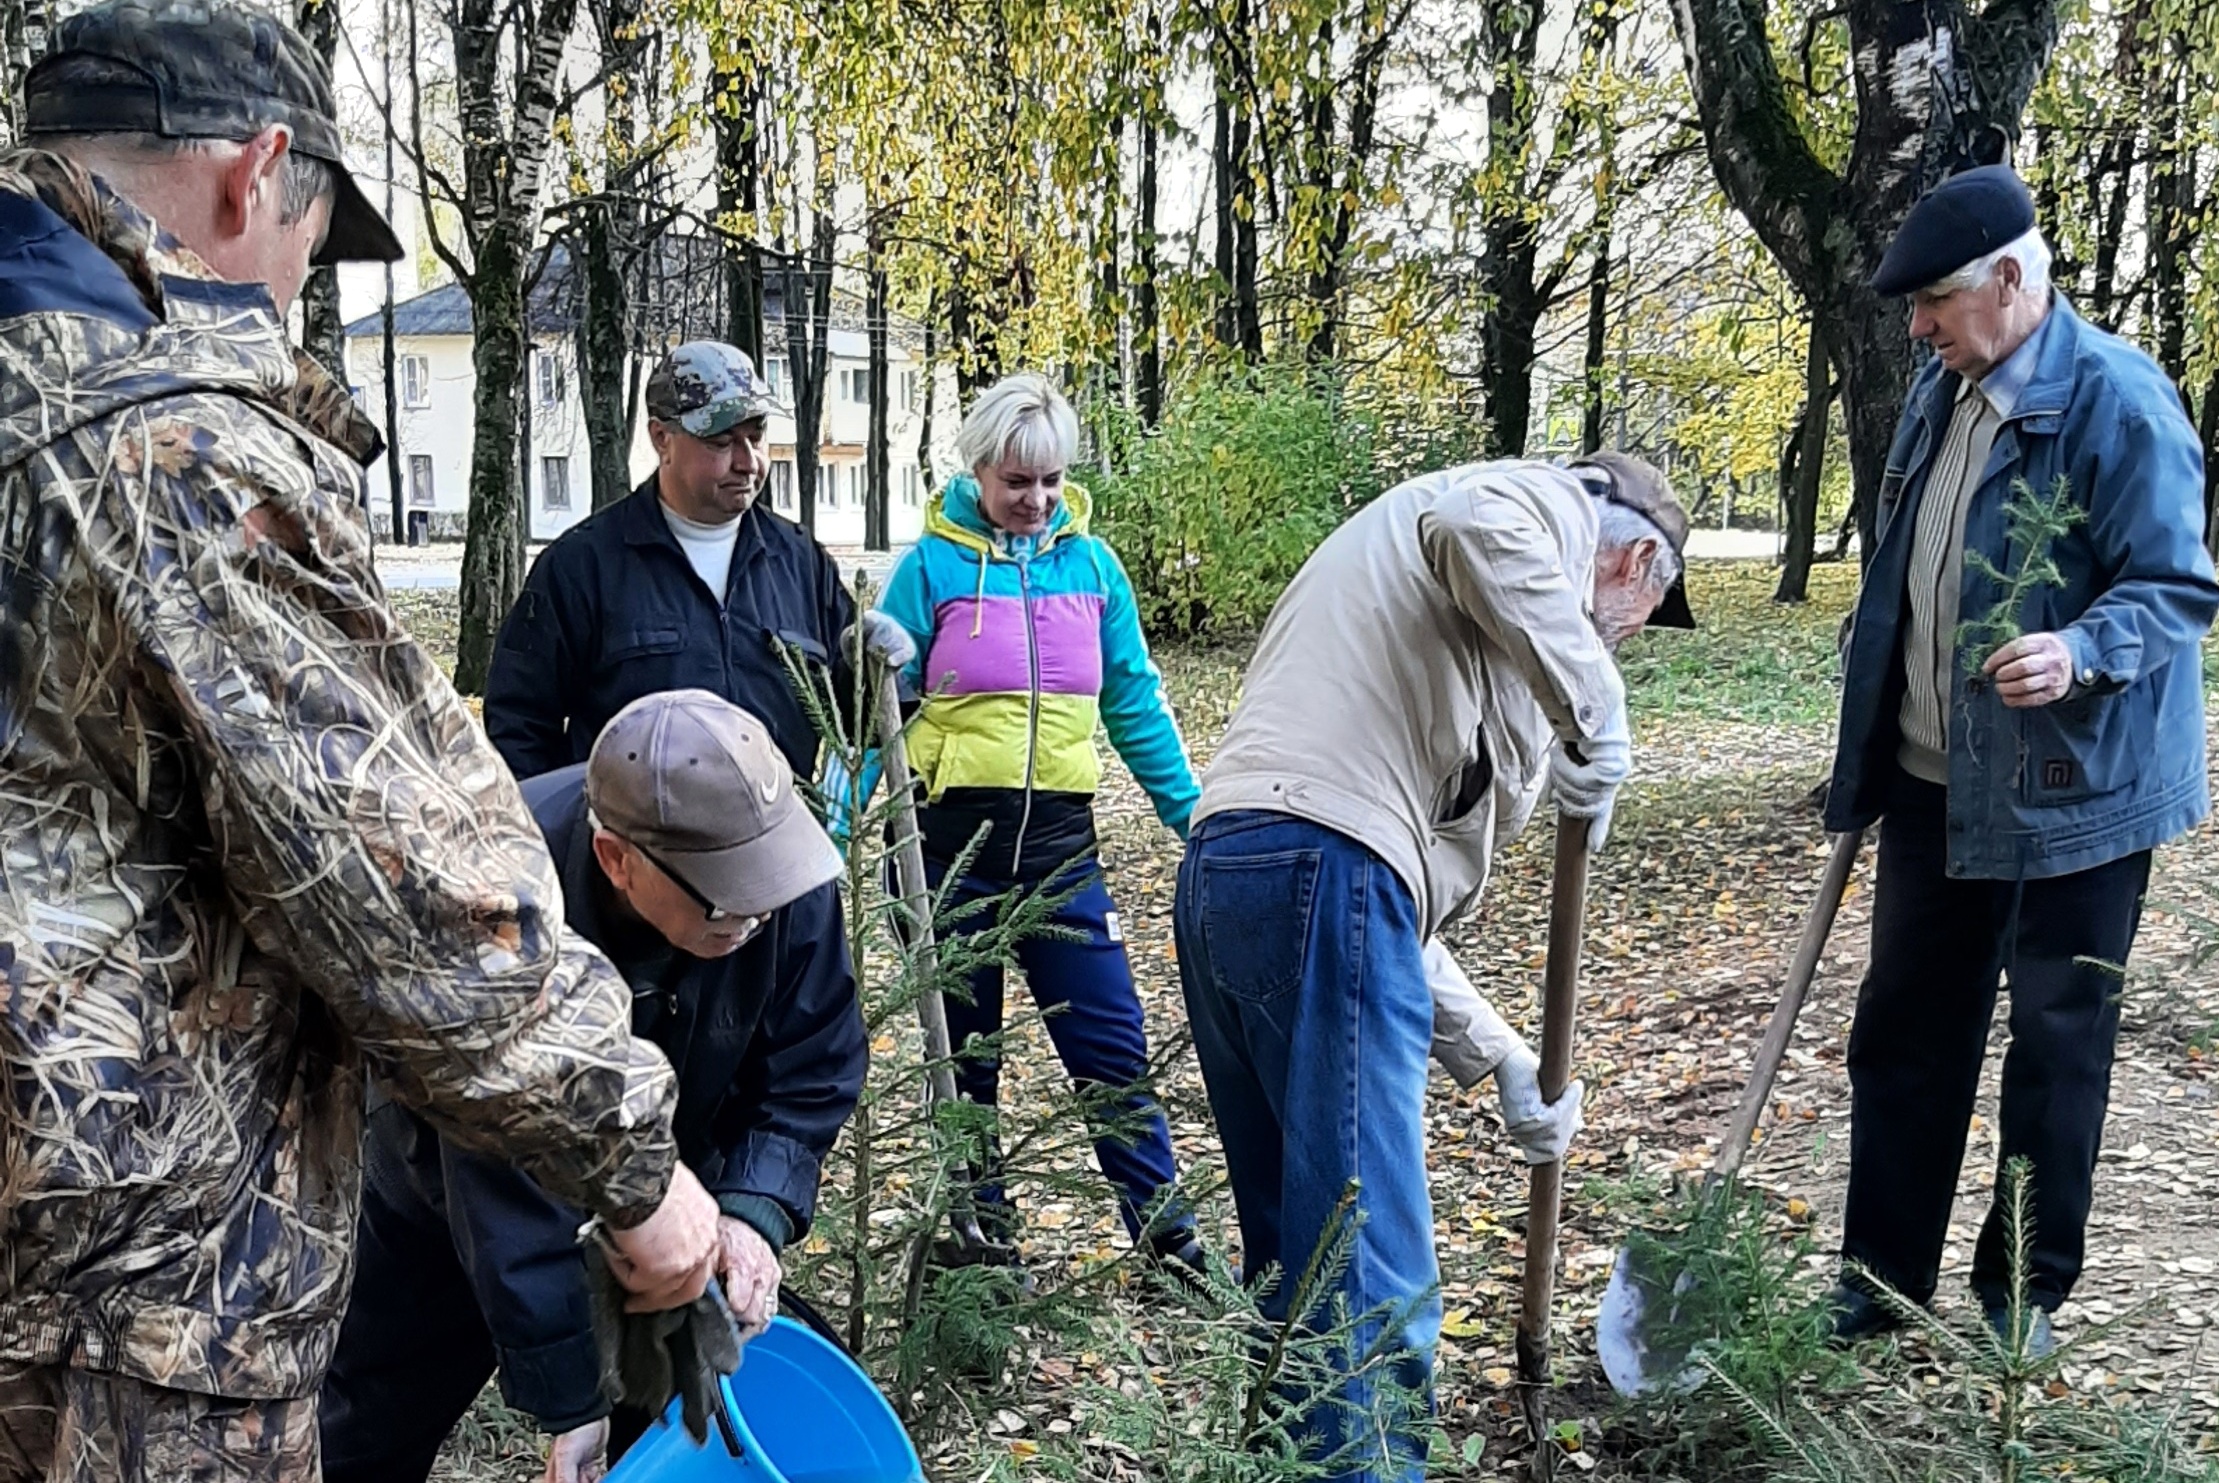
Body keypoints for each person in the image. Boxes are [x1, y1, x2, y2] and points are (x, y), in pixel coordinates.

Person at [0, 4, 721, 1478]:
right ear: (254, 173)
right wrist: (641, 1172)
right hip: (129, 1299)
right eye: (309, 251)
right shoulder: (171, 444)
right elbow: (406, 887)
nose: (287, 297)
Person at [1174, 452, 1693, 1481]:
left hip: (1228, 877)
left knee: (1295, 1264)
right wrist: (1594, 705)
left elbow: (1376, 890)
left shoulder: (1438, 605)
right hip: (1317, 882)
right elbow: (1352, 869)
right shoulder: (1538, 505)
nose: (1627, 638)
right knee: (1367, 1282)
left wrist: (1499, 1057)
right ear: (1636, 558)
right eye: (1646, 612)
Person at [1823, 165, 2219, 1357]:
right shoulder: (1936, 393)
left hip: (2075, 797)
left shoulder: (2118, 400)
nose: (1916, 325)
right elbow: (1905, 557)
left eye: (1933, 300)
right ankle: (1878, 1287)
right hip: (1933, 788)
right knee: (1902, 1033)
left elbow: (2179, 585)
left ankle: (2017, 1303)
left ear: (2009, 278)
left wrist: (2080, 649)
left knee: (2052, 1050)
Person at [322, 692, 866, 1483]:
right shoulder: (496, 887)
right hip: (444, 1189)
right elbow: (493, 1169)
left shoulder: (779, 871)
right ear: (619, 860)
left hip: (684, 1201)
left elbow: (811, 1064)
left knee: (689, 1418)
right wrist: (573, 1399)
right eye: (724, 901)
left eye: (765, 894)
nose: (753, 918)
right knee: (359, 1432)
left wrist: (752, 1210)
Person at [872, 373, 1206, 1275]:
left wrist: (1196, 821)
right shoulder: (929, 570)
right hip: (949, 851)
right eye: (1018, 481)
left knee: (1110, 1047)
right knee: (966, 1064)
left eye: (1051, 480)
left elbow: (1134, 703)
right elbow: (877, 714)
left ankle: (1167, 1236)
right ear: (978, 470)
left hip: (1061, 849)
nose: (1036, 499)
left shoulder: (1094, 572)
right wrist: (830, 832)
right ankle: (985, 1248)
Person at [483, 341, 912, 784]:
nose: (747, 462)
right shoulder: (584, 567)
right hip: (632, 849)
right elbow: (518, 728)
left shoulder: (800, 562)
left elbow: (862, 725)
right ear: (661, 438)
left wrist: (874, 669)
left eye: (756, 436)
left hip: (778, 843)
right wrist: (562, 835)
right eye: (721, 440)